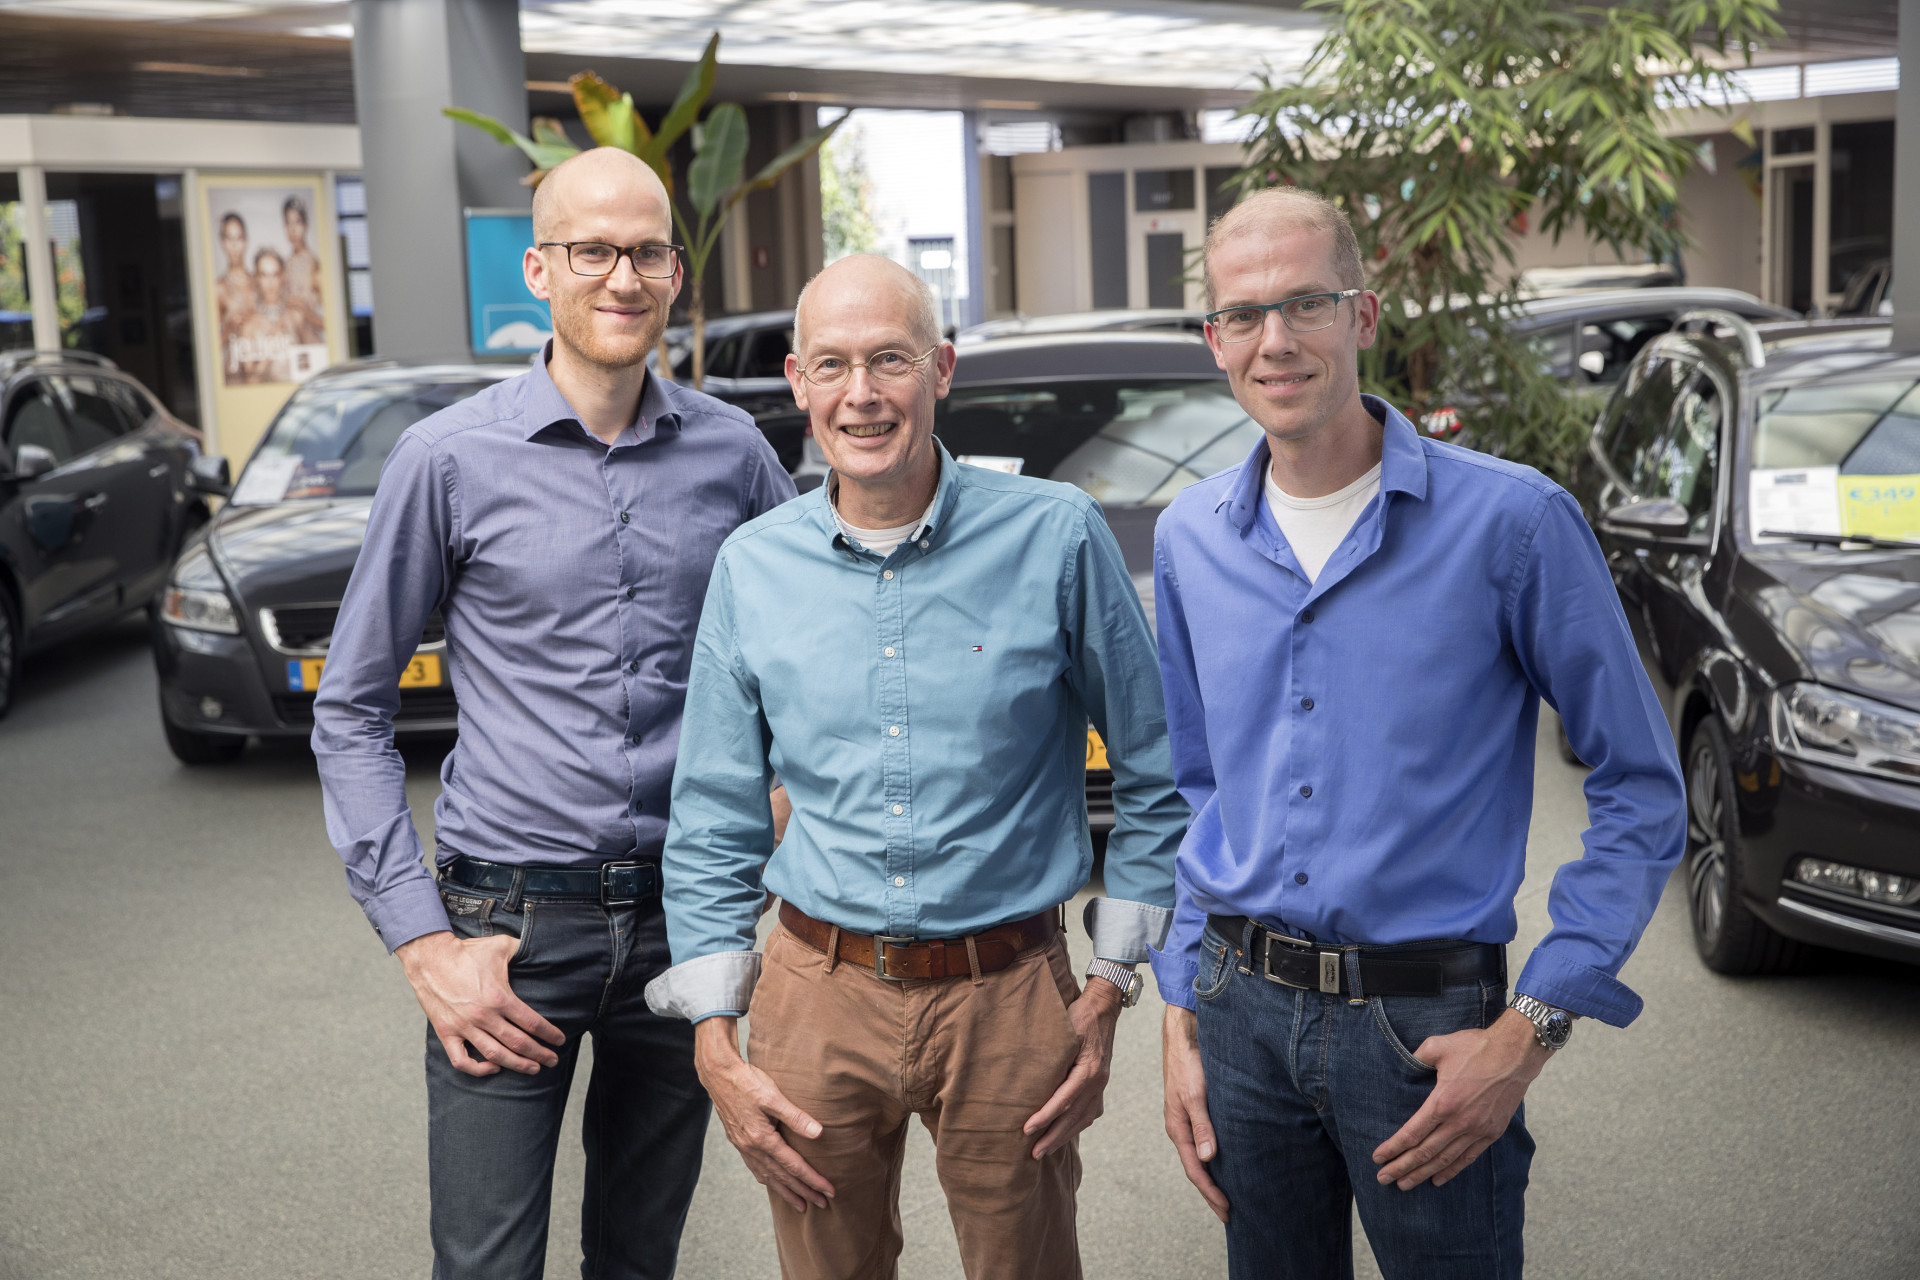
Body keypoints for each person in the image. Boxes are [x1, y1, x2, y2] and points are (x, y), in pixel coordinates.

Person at [1151, 188, 1686, 1279]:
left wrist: (1531, 1028)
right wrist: (1179, 1005)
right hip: (1236, 1008)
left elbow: (1640, 783)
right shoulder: (1187, 538)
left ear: (1363, 314)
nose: (1274, 340)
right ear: (1214, 340)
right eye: (1243, 314)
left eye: (1306, 303)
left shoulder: (1514, 522)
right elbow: (1196, 787)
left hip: (1427, 1024)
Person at [646, 253, 1188, 1280]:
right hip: (815, 992)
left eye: (889, 359)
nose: (862, 393)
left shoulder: (1056, 535)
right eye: (833, 364)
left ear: (940, 368)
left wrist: (1113, 981)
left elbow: (1158, 769)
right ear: (798, 383)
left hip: (1009, 990)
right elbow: (714, 811)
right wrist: (714, 1033)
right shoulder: (753, 567)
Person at [312, 147, 796, 1280]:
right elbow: (350, 710)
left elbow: (807, 655)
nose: (623, 277)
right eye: (593, 251)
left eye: (648, 252)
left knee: (638, 1259)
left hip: (686, 915)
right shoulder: (445, 460)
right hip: (507, 931)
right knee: (486, 1265)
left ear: (676, 272)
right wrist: (422, 942)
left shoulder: (733, 454)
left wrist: (781, 802)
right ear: (539, 270)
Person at [231, 249, 323, 384]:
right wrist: (271, 347)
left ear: (283, 277)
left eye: (275, 275)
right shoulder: (250, 325)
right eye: (264, 275)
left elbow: (319, 361)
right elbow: (252, 381)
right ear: (256, 278)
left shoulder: (295, 316)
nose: (270, 282)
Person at [214, 212, 254, 374]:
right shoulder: (219, 288)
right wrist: (230, 327)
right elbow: (211, 345)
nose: (235, 246)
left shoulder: (260, 280)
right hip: (235, 370)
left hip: (263, 365)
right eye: (229, 239)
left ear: (246, 241)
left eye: (239, 238)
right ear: (222, 242)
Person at [282, 195, 325, 316]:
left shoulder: (314, 264)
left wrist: (306, 311)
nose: (293, 229)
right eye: (288, 223)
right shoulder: (285, 264)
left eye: (297, 222)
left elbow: (329, 313)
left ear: (305, 225)